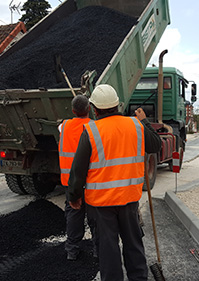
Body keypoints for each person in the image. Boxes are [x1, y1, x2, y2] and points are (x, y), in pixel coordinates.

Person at [67, 84, 161, 281]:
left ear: (94, 108)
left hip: (101, 205)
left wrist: (74, 197)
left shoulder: (91, 131)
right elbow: (156, 144)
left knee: (108, 252)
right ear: (117, 105)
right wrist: (145, 121)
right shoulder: (136, 125)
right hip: (129, 201)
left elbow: (78, 170)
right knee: (134, 246)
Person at [58, 95, 97, 261]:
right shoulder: (94, 127)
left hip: (70, 181)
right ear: (89, 109)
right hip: (91, 181)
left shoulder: (64, 126)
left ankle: (72, 250)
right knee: (95, 216)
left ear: (73, 111)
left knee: (74, 214)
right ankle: (97, 250)